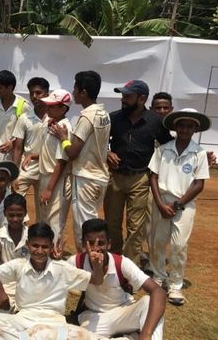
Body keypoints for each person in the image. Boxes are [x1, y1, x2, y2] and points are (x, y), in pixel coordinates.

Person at [0, 222, 103, 340]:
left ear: (52, 247)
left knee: (82, 335)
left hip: (54, 323)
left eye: (44, 247)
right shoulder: (19, 265)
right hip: (24, 320)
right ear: (27, 244)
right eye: (35, 245)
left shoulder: (62, 268)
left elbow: (97, 280)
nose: (39, 251)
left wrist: (97, 265)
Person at [103, 80, 172, 265]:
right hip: (115, 178)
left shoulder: (155, 121)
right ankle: (114, 262)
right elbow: (99, 143)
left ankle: (129, 267)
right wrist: (107, 152)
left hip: (141, 179)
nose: (123, 100)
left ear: (141, 99)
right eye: (122, 96)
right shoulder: (113, 118)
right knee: (112, 224)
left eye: (127, 96)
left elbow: (168, 148)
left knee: (136, 227)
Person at [148, 108, 210, 305]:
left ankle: (175, 285)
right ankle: (158, 277)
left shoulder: (199, 154)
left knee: (179, 245)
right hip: (161, 201)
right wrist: (159, 203)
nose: (184, 129)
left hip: (184, 205)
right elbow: (153, 177)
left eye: (189, 126)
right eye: (181, 125)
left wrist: (178, 204)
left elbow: (199, 184)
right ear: (175, 127)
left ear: (195, 129)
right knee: (157, 242)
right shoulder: (162, 149)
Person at [69, 219, 166, 340]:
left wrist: (146, 333)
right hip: (94, 316)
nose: (96, 248)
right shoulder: (76, 262)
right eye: (91, 242)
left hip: (123, 312)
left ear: (109, 244)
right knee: (77, 337)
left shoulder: (121, 263)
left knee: (148, 303)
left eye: (101, 243)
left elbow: (159, 292)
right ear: (83, 244)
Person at [50, 71, 111, 251]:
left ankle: (90, 265)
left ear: (83, 92)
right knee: (88, 223)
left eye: (75, 88)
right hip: (98, 175)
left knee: (85, 228)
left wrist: (63, 137)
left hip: (87, 176)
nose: (73, 92)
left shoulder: (87, 117)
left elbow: (72, 152)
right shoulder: (103, 113)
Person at [12, 77, 49, 222]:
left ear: (47, 93)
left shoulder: (54, 117)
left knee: (44, 207)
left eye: (38, 93)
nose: (34, 96)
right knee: (15, 201)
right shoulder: (24, 118)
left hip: (46, 167)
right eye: (32, 93)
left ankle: (41, 238)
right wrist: (15, 174)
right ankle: (21, 234)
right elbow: (17, 147)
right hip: (26, 166)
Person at [38, 89, 72, 240]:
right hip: (46, 176)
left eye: (52, 106)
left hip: (57, 181)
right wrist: (33, 156)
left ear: (63, 108)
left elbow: (62, 161)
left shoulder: (64, 128)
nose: (48, 108)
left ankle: (55, 257)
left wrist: (49, 189)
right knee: (45, 219)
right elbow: (50, 151)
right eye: (48, 105)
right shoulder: (52, 123)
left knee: (55, 222)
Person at [0, 193, 28, 312]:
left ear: (25, 214)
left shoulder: (31, 235)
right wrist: (1, 292)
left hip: (27, 281)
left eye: (19, 215)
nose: (15, 219)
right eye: (11, 215)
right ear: (5, 213)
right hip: (5, 283)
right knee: (6, 313)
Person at [0, 70, 29, 163]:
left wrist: (13, 143)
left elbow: (28, 132)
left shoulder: (23, 105)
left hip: (12, 155)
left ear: (10, 87)